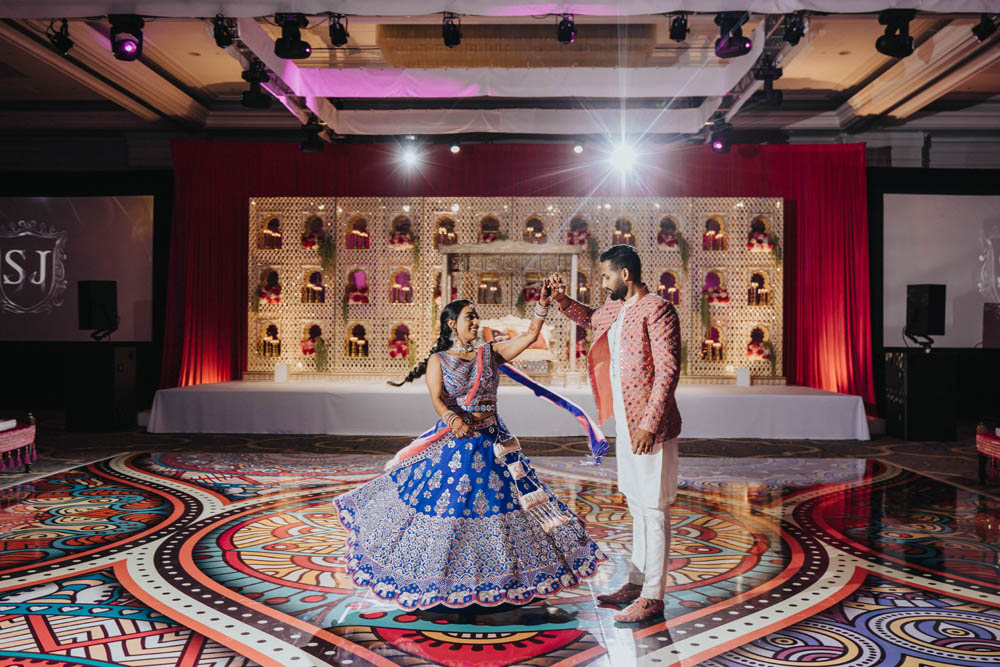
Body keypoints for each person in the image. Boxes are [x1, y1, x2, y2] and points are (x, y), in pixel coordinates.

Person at [335, 286, 606, 611]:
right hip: (457, 442)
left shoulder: (489, 353)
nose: (476, 322)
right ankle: (445, 582)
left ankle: (504, 580)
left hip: (494, 443)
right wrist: (453, 419)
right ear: (452, 323)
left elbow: (532, 335)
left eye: (476, 316)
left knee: (509, 509)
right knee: (453, 513)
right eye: (469, 317)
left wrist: (542, 306)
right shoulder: (438, 360)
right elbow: (437, 399)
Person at [549, 244, 682, 623]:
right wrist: (561, 300)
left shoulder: (657, 308)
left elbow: (668, 369)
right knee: (638, 505)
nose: (603, 282)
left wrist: (649, 424)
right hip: (627, 422)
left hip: (648, 426)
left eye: (606, 276)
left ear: (625, 275)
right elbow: (591, 319)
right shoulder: (617, 307)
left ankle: (653, 596)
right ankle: (637, 584)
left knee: (654, 509)